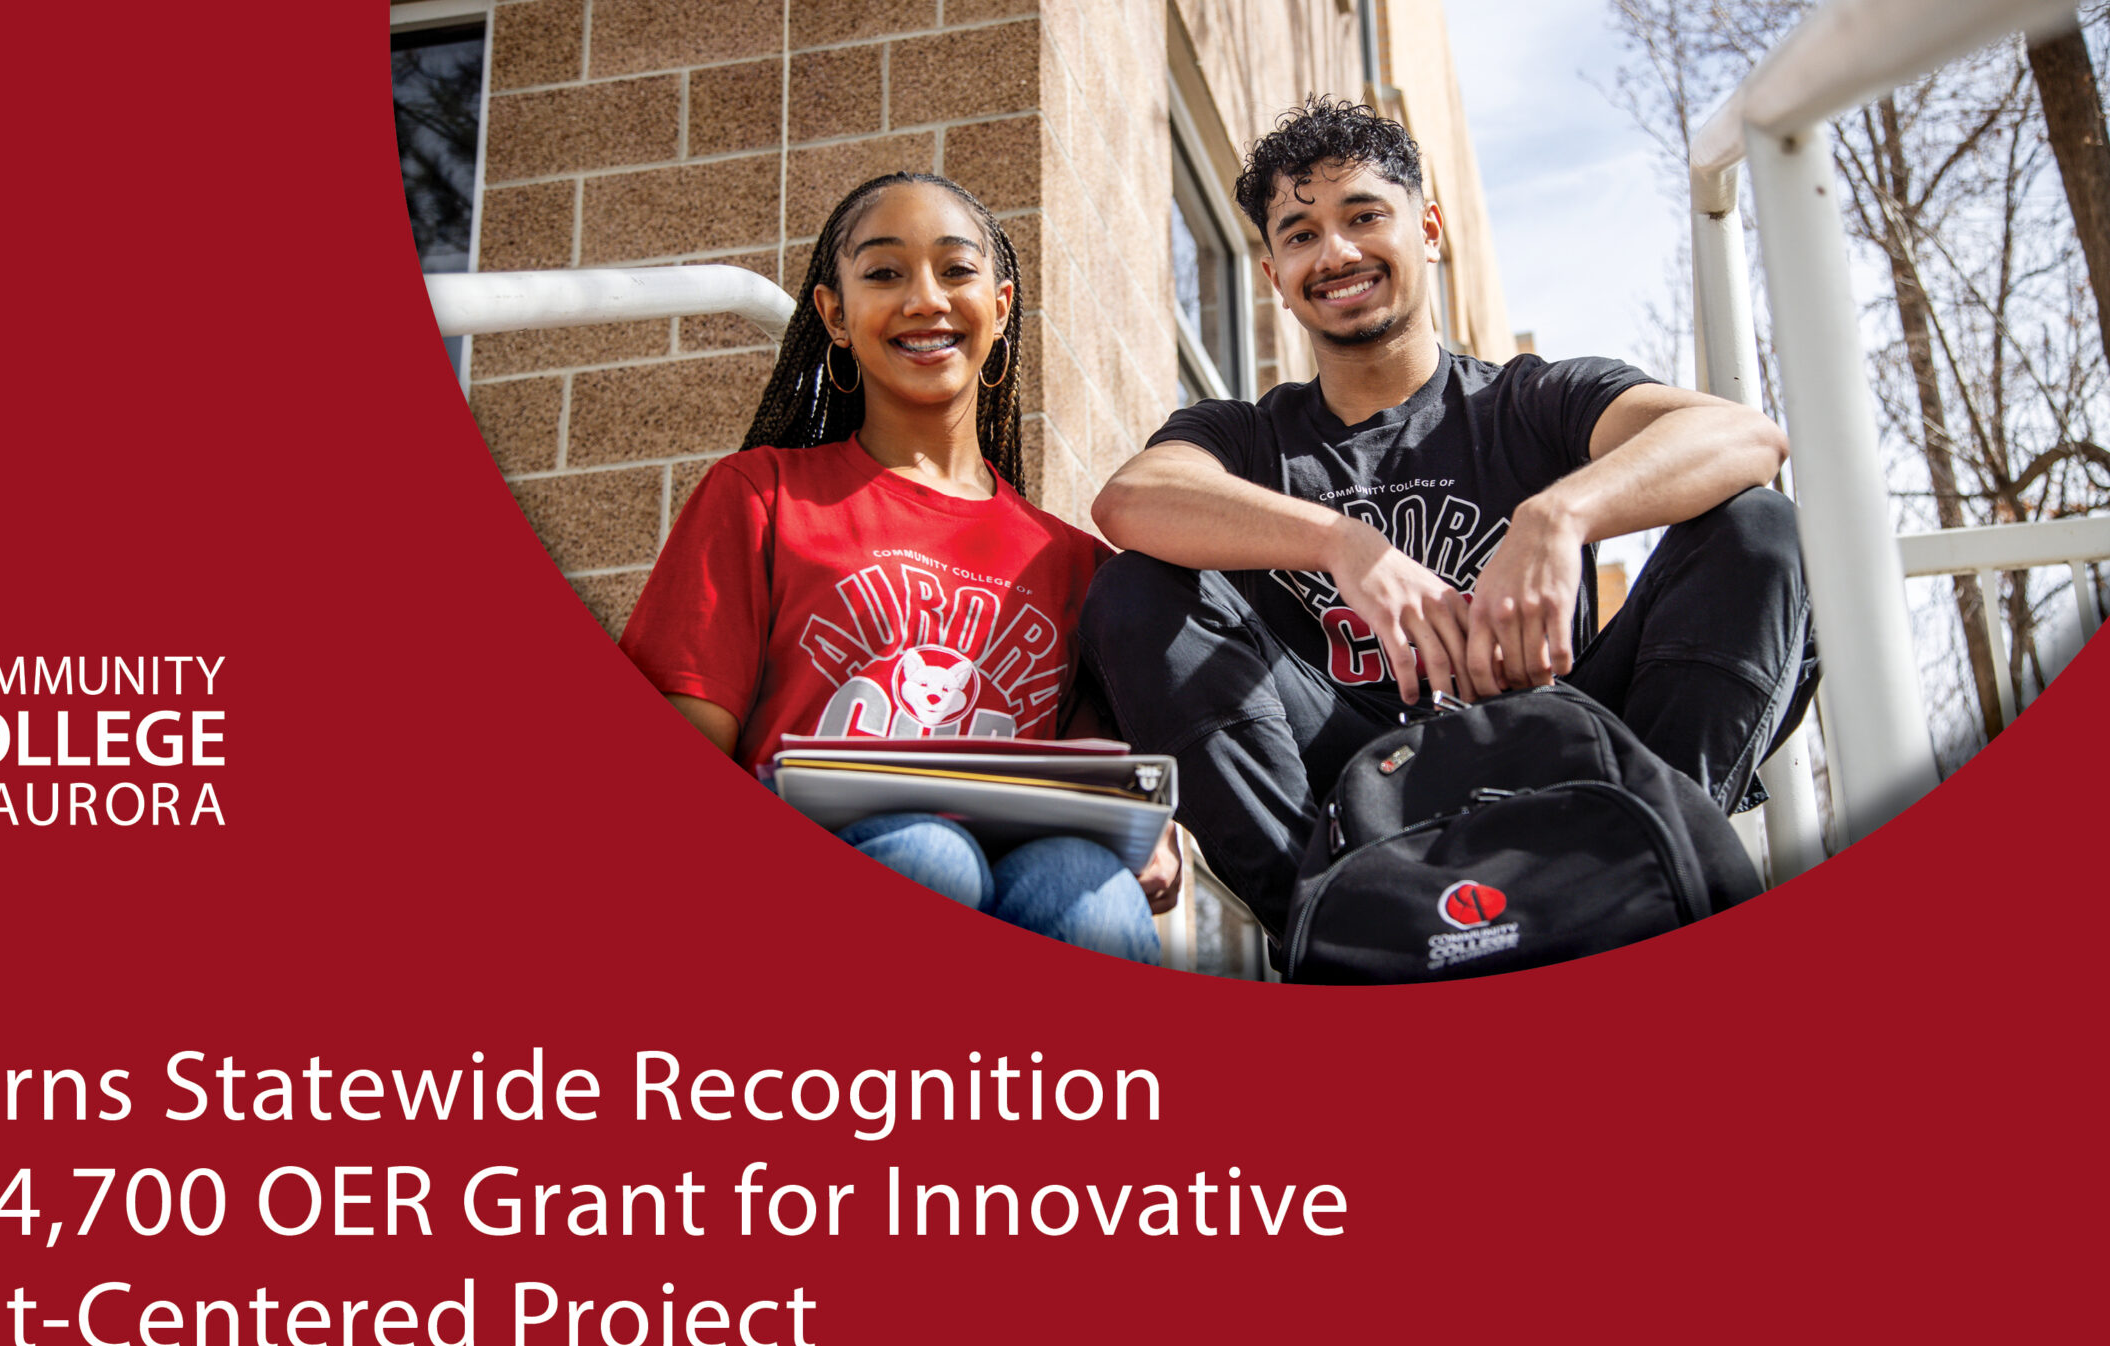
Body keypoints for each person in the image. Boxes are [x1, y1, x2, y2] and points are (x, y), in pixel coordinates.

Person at [1080, 99, 1816, 938]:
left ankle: (1648, 874)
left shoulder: (1529, 401)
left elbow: (1743, 436)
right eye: (1300, 234)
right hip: (1344, 796)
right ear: (1272, 277)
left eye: (1364, 216)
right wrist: (1342, 542)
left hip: (1562, 753)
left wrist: (1559, 513)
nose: (1337, 253)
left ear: (1427, 227)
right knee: (1133, 593)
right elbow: (1130, 501)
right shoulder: (1243, 437)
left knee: (1758, 530)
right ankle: (1338, 936)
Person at [620, 172, 1180, 962]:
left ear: (1002, 306)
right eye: (885, 273)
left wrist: (1159, 839)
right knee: (930, 858)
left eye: (956, 271)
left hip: (1018, 887)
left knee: (1085, 879)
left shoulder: (1072, 564)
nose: (925, 299)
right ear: (834, 315)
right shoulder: (761, 497)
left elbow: (1100, 778)